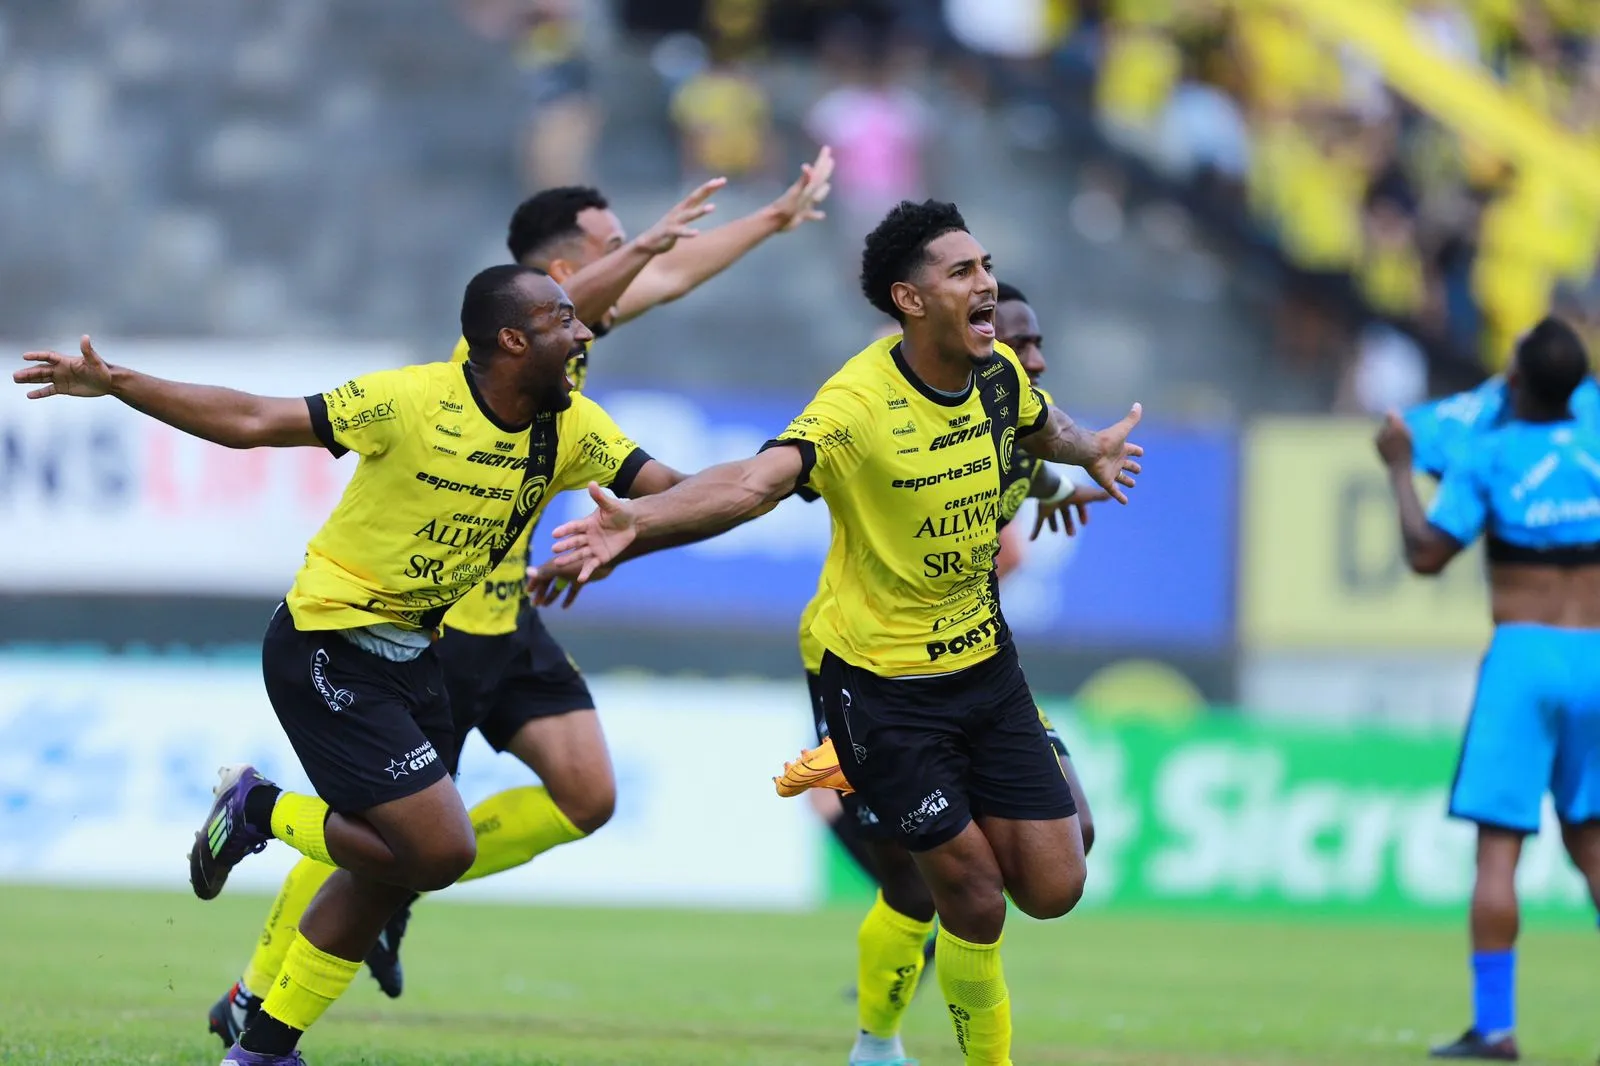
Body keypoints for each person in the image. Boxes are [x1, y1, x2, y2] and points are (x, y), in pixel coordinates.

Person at [206, 160, 836, 1045]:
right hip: (436, 632)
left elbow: (664, 278)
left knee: (584, 795)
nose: (634, 265)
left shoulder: (564, 363)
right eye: (612, 249)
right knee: (384, 833)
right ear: (556, 273)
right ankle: (255, 994)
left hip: (513, 617)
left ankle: (379, 905)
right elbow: (633, 279)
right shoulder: (496, 349)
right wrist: (650, 246)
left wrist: (771, 219)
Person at [14, 266, 683, 1066]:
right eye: (563, 320)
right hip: (326, 645)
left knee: (389, 872)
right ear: (512, 340)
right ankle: (259, 808)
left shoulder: (571, 428)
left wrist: (665, 513)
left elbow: (675, 490)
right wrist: (118, 382)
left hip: (416, 657)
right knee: (439, 853)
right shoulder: (409, 400)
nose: (582, 337)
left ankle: (262, 1047)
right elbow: (256, 420)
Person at [548, 199, 1145, 1066]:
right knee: (966, 895)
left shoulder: (999, 375)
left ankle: (883, 1012)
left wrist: (1088, 450)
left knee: (1054, 886)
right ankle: (888, 1044)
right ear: (910, 300)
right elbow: (755, 481)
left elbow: (1039, 423)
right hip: (877, 685)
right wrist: (639, 522)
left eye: (986, 267)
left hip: (984, 667)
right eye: (964, 272)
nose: (986, 284)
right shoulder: (859, 404)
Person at [797, 280, 1105, 1034]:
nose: (1031, 357)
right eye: (1016, 341)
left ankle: (957, 892)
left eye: (1036, 344)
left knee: (1072, 836)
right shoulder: (893, 415)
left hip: (977, 667)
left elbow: (1037, 480)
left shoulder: (1007, 417)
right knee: (912, 883)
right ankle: (877, 1042)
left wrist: (1062, 487)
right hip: (874, 670)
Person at [1375, 317, 1600, 1062]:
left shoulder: (1488, 452)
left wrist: (1399, 468)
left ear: (1515, 383)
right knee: (1595, 847)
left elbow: (1426, 556)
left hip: (1524, 657)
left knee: (1499, 854)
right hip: (1597, 656)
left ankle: (1495, 1029)